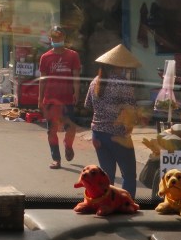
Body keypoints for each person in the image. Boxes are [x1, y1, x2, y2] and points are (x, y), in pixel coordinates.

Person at [84, 44, 141, 197]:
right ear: (118, 65)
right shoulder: (122, 82)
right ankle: (127, 204)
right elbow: (131, 108)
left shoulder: (94, 81)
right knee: (129, 174)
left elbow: (88, 105)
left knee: (107, 175)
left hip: (97, 134)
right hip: (118, 135)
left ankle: (106, 203)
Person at [38, 26, 82, 170]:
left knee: (71, 129)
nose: (57, 39)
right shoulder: (45, 57)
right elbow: (42, 80)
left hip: (67, 99)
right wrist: (40, 98)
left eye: (59, 36)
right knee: (52, 131)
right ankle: (56, 159)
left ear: (64, 38)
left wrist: (76, 92)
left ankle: (68, 145)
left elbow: (76, 76)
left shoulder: (73, 55)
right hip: (50, 100)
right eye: (54, 37)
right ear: (50, 39)